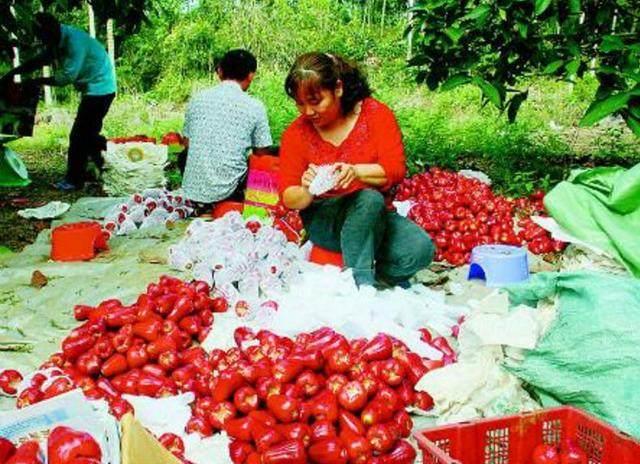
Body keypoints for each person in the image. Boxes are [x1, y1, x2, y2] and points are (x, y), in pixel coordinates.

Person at [279, 52, 434, 288]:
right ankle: (360, 284)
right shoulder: (295, 134)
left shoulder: (376, 115)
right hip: (326, 220)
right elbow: (289, 198)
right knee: (370, 198)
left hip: (374, 218)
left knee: (419, 250)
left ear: (338, 88)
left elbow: (395, 170)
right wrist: (307, 188)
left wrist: (357, 172)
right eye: (300, 104)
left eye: (315, 101)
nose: (308, 112)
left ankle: (369, 270)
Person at [0, 13, 116, 191]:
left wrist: (36, 82)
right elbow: (41, 60)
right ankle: (102, 166)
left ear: (52, 31)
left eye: (44, 38)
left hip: (101, 89)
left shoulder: (74, 42)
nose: (43, 42)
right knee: (90, 133)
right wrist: (15, 72)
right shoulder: (57, 39)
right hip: (96, 88)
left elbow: (66, 78)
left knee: (78, 135)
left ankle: (74, 180)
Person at [181, 49, 273, 208]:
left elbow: (187, 143)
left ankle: (200, 200)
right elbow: (261, 153)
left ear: (220, 71)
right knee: (267, 162)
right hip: (228, 191)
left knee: (183, 156)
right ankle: (259, 210)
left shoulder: (196, 100)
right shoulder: (255, 106)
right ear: (251, 75)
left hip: (191, 191)